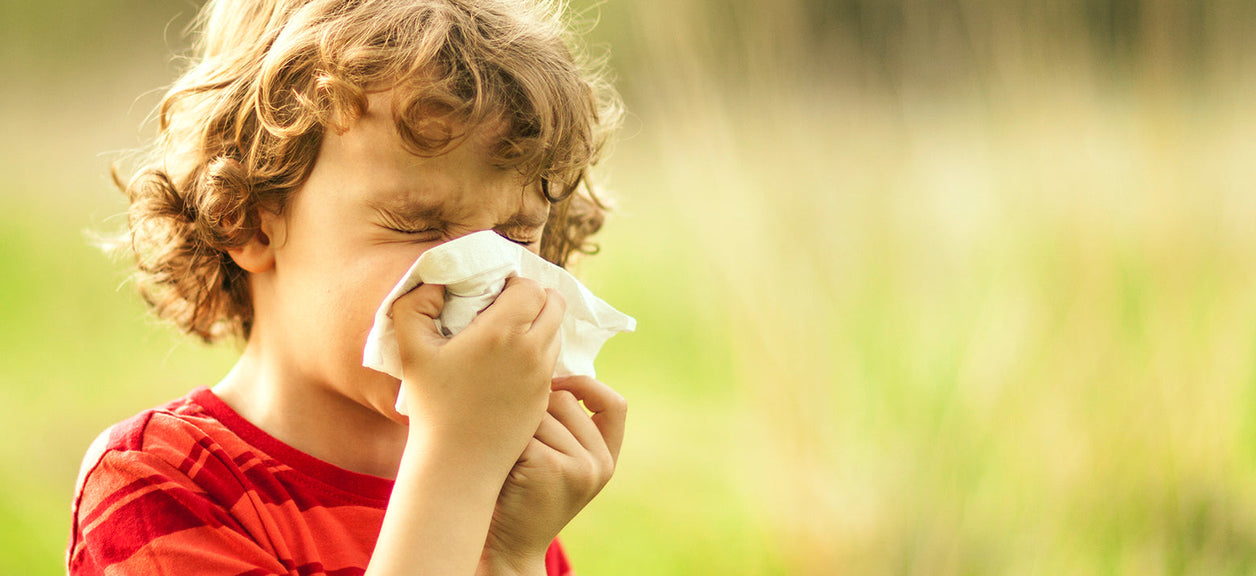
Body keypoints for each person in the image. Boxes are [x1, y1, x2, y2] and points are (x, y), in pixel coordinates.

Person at [67, 0, 627, 574]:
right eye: (419, 226)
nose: (480, 276)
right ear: (249, 218)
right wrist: (457, 466)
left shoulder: (505, 504)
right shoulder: (161, 484)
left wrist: (512, 556)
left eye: (517, 233)